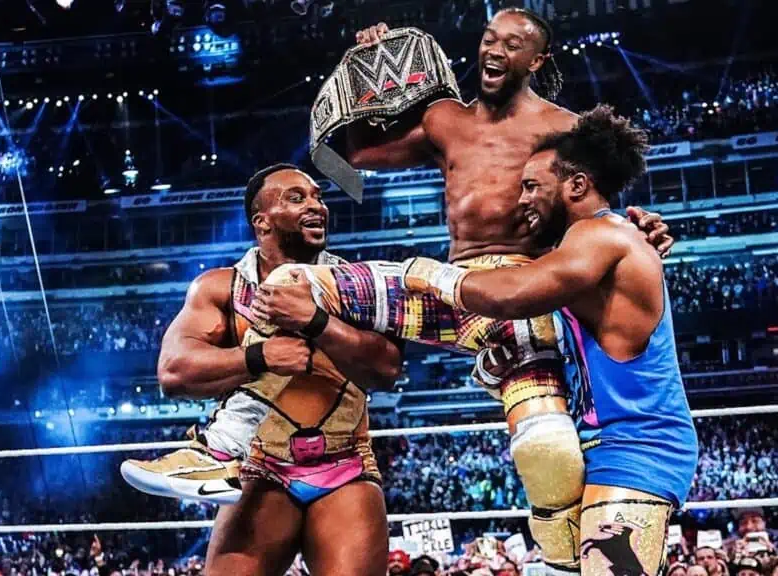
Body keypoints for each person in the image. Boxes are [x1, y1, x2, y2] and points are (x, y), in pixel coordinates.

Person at [264, 10, 672, 573]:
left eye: (513, 42)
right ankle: (234, 439)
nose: (495, 49)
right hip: (451, 289)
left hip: (522, 292)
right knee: (293, 284)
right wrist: (365, 67)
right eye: (488, 38)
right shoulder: (444, 119)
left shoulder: (564, 130)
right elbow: (356, 156)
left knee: (547, 447)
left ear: (537, 61)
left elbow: (595, 200)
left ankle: (557, 561)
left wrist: (640, 226)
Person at [396, 105, 698, 575]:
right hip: (599, 442)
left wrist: (432, 276)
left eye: (532, 186)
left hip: (639, 443)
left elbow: (512, 294)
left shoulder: (602, 235)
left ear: (576, 185)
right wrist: (494, 366)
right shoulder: (582, 248)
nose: (522, 201)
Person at [124, 164, 403, 576]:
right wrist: (259, 357)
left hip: (345, 464)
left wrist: (316, 322)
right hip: (261, 466)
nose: (316, 206)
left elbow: (387, 370)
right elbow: (173, 372)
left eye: (318, 197)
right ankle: (213, 449)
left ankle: (211, 448)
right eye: (296, 198)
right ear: (262, 221)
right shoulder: (221, 288)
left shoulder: (354, 283)